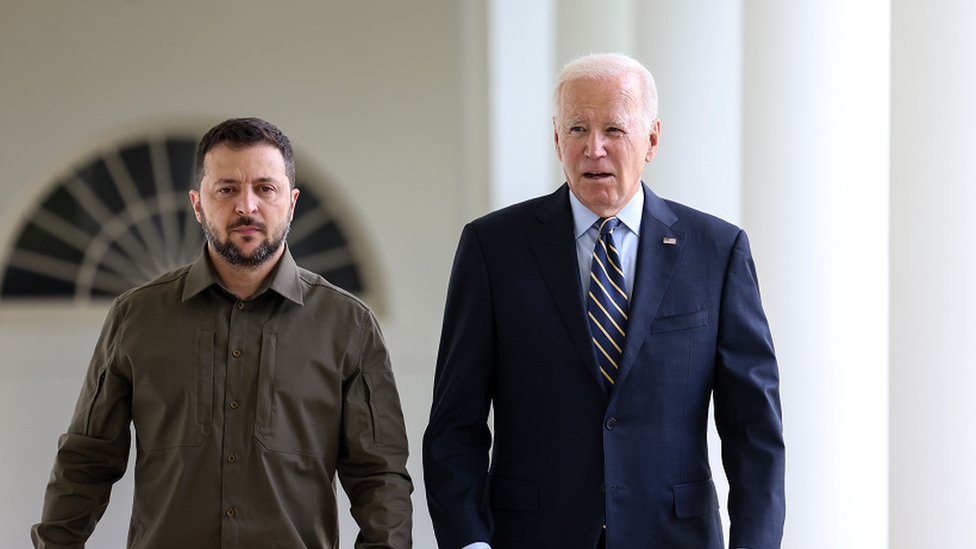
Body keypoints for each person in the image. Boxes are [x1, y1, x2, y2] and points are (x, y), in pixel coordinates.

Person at [422, 53, 785, 549]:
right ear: (556, 138)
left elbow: (754, 432)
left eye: (614, 129)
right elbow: (454, 426)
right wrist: (470, 543)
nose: (594, 149)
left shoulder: (717, 252)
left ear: (652, 139)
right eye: (576, 129)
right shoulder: (493, 249)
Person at [31, 117, 413, 549]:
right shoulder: (135, 317)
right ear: (197, 204)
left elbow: (380, 478)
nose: (246, 207)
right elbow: (85, 462)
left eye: (265, 188)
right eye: (226, 189)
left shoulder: (349, 325)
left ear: (291, 202)